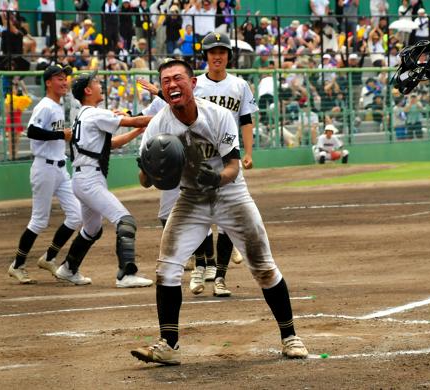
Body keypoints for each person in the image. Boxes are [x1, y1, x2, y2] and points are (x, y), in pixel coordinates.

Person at [130, 58, 308, 365]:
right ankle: (168, 345)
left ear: (193, 83)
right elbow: (146, 182)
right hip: (191, 198)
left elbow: (232, 167)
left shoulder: (219, 115)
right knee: (167, 269)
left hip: (231, 194)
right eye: (166, 81)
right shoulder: (158, 125)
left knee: (264, 268)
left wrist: (217, 177)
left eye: (178, 78)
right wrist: (150, 169)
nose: (172, 85)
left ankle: (290, 336)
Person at [139, 32, 256, 296]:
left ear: (228, 56)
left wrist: (247, 152)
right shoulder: (193, 84)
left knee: (227, 221)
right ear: (205, 56)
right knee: (190, 214)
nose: (217, 56)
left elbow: (246, 119)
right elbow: (169, 107)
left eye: (222, 51)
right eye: (212, 51)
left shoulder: (239, 86)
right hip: (190, 160)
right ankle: (204, 266)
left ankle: (220, 275)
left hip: (225, 154)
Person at [58, 71, 154, 288]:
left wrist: (139, 131)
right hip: (89, 179)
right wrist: (165, 116)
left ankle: (68, 268)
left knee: (92, 229)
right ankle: (126, 274)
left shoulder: (83, 116)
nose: (101, 85)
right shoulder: (94, 114)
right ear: (87, 90)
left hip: (85, 178)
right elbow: (133, 119)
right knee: (125, 220)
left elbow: (111, 144)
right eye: (97, 83)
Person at [7, 65, 83, 285]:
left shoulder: (58, 106)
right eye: (59, 78)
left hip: (60, 168)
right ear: (48, 82)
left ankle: (49, 257)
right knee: (39, 221)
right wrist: (60, 133)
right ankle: (17, 265)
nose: (64, 81)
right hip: (44, 168)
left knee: (76, 216)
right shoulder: (45, 106)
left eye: (65, 78)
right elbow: (31, 131)